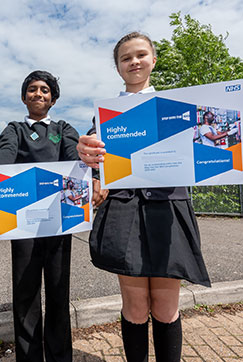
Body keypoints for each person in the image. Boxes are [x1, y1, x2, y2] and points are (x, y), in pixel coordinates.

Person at [77, 32, 211, 362]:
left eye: (140, 55)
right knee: (135, 306)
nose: (134, 61)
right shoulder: (106, 116)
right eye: (126, 58)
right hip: (126, 213)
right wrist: (87, 155)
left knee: (166, 308)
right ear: (118, 67)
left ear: (153, 60)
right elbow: (98, 162)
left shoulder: (180, 107)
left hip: (169, 211)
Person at [0, 70, 79, 362]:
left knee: (59, 294)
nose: (38, 94)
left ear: (53, 99)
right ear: (24, 96)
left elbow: (74, 157)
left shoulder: (64, 128)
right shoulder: (14, 129)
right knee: (26, 295)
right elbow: (4, 156)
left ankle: (60, 356)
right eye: (32, 89)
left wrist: (92, 175)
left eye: (45, 90)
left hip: (60, 219)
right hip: (23, 223)